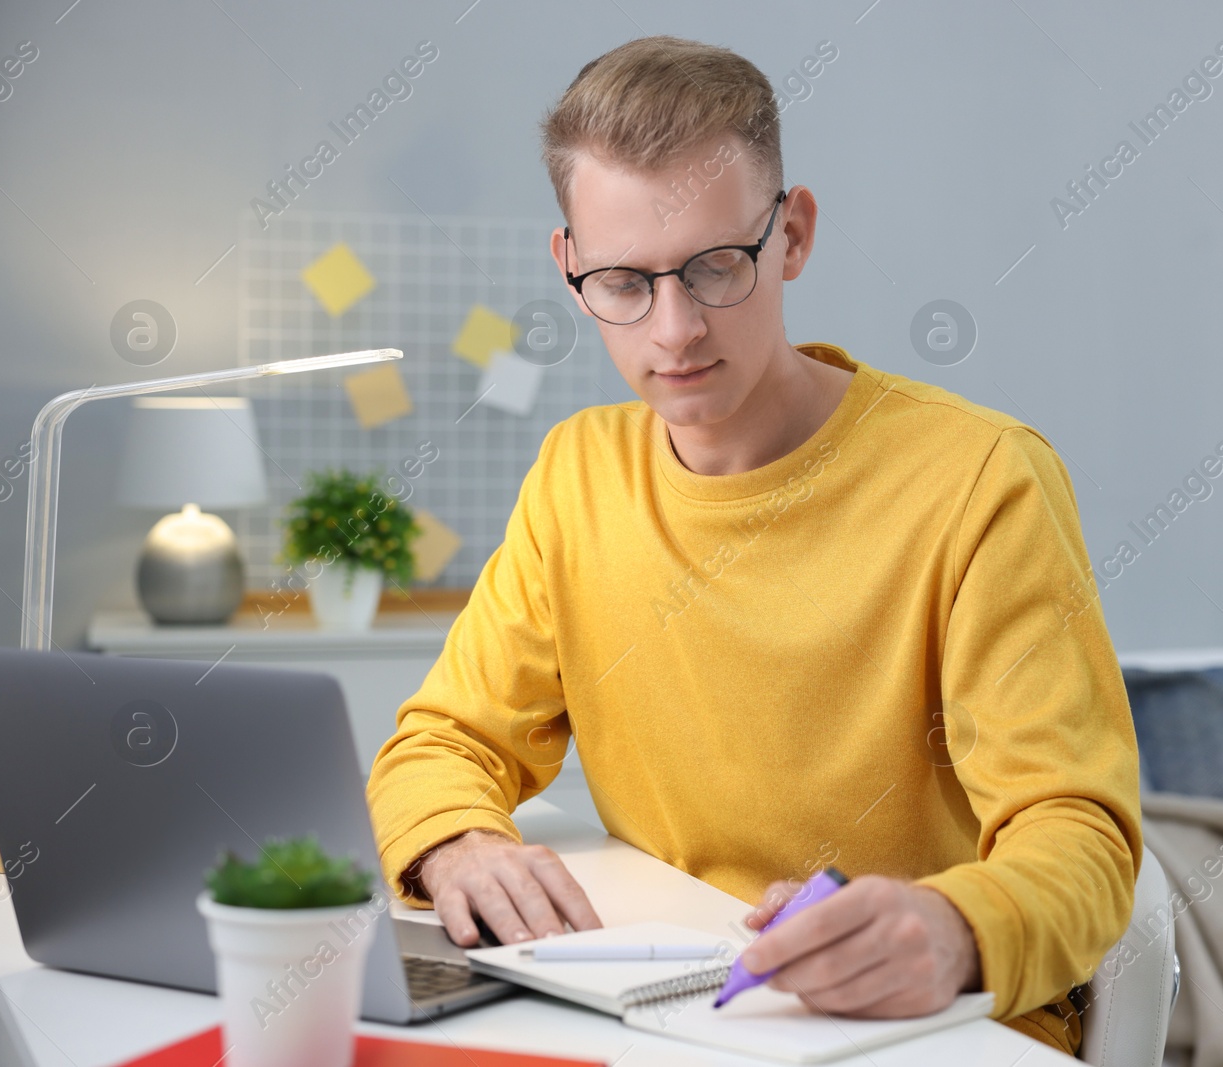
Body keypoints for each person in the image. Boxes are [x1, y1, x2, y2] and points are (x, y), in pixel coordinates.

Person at [366, 34, 1143, 1056]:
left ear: (793, 236)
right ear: (568, 270)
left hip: (936, 1025)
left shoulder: (979, 479)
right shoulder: (575, 474)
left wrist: (954, 928)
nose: (675, 328)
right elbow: (444, 741)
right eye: (624, 283)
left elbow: (1079, 837)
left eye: (714, 266)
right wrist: (456, 843)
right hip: (668, 1014)